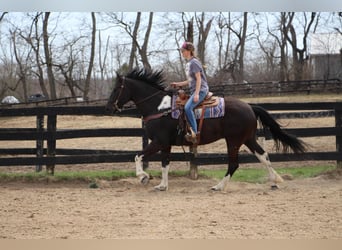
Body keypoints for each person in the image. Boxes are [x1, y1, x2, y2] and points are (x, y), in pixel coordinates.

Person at [171, 42, 209, 144]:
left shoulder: (194, 63)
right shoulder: (189, 63)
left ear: (188, 51)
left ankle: (194, 134)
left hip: (201, 90)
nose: (182, 53)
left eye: (183, 51)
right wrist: (178, 83)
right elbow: (189, 81)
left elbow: (199, 79)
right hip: (195, 90)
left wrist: (196, 94)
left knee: (188, 107)